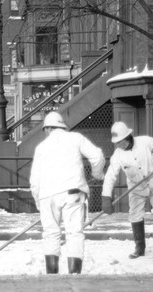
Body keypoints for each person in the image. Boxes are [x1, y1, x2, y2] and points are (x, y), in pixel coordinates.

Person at [29, 111, 106, 274]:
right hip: (72, 192)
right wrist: (97, 174)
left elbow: (34, 180)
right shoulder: (76, 138)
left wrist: (38, 201)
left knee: (50, 234)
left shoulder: (41, 147)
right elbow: (97, 156)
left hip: (47, 195)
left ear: (48, 128)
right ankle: (74, 275)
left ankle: (52, 275)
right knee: (74, 233)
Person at [100, 121, 153, 258]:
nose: (118, 145)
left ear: (128, 137)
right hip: (136, 188)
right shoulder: (117, 155)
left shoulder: (145, 142)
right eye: (116, 142)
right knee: (135, 215)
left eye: (120, 141)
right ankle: (139, 248)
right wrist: (106, 197)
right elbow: (110, 176)